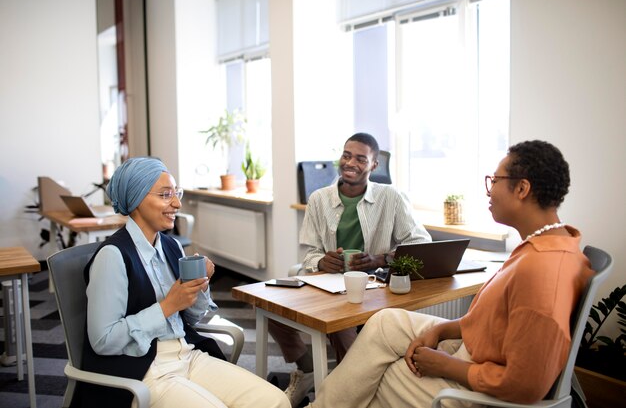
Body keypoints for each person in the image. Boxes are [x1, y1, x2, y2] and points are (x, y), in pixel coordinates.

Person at [308, 140, 594, 408]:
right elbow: (495, 318)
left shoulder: (542, 271)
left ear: (522, 189)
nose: (490, 190)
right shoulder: (550, 244)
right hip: (479, 347)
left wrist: (444, 366)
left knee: (372, 376)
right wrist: (442, 329)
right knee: (384, 322)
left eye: (495, 181)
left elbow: (525, 385)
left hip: (476, 386)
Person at [80, 157, 290, 408]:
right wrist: (167, 306)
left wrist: (200, 287)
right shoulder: (113, 256)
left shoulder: (171, 245)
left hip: (187, 354)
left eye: (175, 193)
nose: (177, 203)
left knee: (275, 401)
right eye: (166, 194)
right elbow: (103, 340)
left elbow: (190, 320)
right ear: (136, 199)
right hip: (144, 368)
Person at [270, 132, 431, 406]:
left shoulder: (391, 197)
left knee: (341, 329)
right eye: (346, 155)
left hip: (374, 286)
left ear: (374, 165)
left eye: (360, 158)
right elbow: (310, 253)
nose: (351, 162)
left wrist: (381, 260)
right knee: (270, 307)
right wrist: (321, 261)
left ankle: (348, 392)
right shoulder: (319, 199)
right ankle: (307, 368)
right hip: (327, 284)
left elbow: (420, 244)